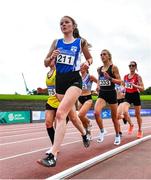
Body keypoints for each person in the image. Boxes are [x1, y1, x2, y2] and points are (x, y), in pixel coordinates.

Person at [38, 16, 93, 167]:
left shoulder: (80, 42)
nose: (63, 25)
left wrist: (86, 63)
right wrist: (51, 57)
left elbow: (90, 58)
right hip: (60, 83)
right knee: (73, 117)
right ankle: (84, 134)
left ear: (73, 25)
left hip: (74, 80)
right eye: (61, 23)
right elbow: (45, 63)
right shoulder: (56, 42)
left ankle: (53, 155)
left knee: (60, 114)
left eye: (66, 22)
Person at [94, 49, 121, 145]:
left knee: (114, 118)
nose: (102, 56)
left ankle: (117, 135)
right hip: (102, 94)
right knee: (96, 113)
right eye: (101, 54)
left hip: (111, 94)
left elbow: (119, 81)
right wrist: (97, 86)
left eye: (104, 54)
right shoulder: (99, 69)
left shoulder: (113, 68)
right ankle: (102, 131)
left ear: (109, 56)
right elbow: (99, 79)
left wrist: (109, 78)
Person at [120, 61, 144, 138]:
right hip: (128, 95)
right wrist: (122, 90)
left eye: (132, 65)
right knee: (124, 111)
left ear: (135, 67)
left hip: (135, 95)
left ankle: (140, 130)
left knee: (137, 114)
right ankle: (131, 124)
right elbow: (123, 86)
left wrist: (135, 85)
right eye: (130, 65)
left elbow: (142, 89)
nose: (131, 67)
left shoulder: (138, 77)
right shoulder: (125, 76)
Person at [78, 63, 97, 140]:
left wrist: (97, 89)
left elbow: (98, 82)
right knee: (82, 119)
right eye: (80, 66)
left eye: (82, 66)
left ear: (86, 68)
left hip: (87, 98)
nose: (81, 68)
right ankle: (88, 134)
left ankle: (89, 121)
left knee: (80, 115)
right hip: (80, 98)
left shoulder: (90, 77)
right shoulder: (78, 78)